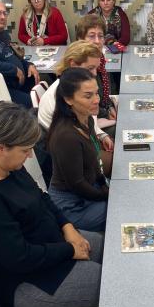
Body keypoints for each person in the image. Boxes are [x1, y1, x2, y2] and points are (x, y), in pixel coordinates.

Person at [0, 102, 103, 307]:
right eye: (25, 151)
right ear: (1, 148)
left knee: (108, 247)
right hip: (25, 283)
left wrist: (68, 228)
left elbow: (42, 197)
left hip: (50, 246)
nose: (30, 156)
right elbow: (19, 259)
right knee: (108, 284)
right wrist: (69, 250)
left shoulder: (8, 166)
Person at [38, 40, 113, 177]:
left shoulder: (73, 87)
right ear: (73, 64)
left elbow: (88, 119)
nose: (95, 73)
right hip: (67, 155)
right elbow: (77, 138)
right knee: (118, 159)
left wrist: (101, 135)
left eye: (96, 68)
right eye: (90, 68)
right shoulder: (63, 95)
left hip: (78, 142)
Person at [47, 68, 109, 232]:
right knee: (121, 211)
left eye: (97, 93)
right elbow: (77, 185)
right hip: (72, 205)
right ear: (68, 99)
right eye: (88, 96)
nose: (96, 100)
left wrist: (103, 185)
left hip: (88, 190)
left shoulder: (86, 118)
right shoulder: (66, 137)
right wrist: (107, 195)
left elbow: (94, 164)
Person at [0, 0, 39, 108]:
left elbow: (11, 55)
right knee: (33, 103)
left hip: (11, 83)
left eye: (4, 13)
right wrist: (13, 69)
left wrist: (28, 64)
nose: (2, 17)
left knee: (35, 82)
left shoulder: (2, 33)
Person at [76, 15, 117, 132]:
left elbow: (103, 91)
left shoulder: (99, 59)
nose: (97, 41)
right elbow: (86, 105)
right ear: (80, 39)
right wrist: (106, 113)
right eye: (91, 36)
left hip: (100, 112)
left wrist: (109, 107)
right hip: (87, 123)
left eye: (100, 36)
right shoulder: (80, 64)